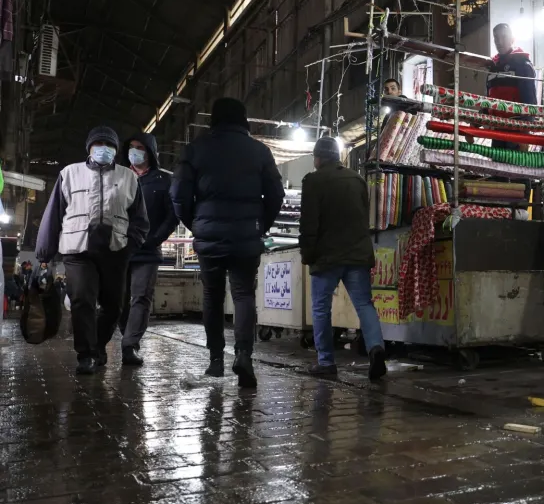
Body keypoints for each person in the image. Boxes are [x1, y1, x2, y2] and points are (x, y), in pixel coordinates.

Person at [171, 98, 284, 388]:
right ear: (243, 120)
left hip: (209, 237)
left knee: (212, 295)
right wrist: (260, 225)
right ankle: (244, 355)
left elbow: (179, 195)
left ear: (214, 119)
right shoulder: (259, 151)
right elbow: (276, 194)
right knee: (244, 294)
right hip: (246, 236)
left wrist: (196, 224)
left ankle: (216, 361)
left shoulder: (196, 149)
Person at [35, 126, 150, 374]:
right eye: (98, 144)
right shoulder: (69, 174)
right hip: (78, 250)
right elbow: (53, 215)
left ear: (116, 150)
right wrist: (44, 255)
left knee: (114, 307)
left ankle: (97, 347)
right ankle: (85, 355)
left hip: (115, 250)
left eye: (109, 145)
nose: (103, 149)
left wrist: (130, 245)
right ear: (89, 147)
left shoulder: (129, 178)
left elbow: (140, 220)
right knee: (82, 300)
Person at [300, 137, 387, 381]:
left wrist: (307, 254)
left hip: (326, 256)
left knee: (321, 308)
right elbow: (364, 217)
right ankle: (376, 347)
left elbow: (308, 223)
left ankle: (326, 362)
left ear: (318, 158)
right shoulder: (357, 180)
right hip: (357, 253)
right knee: (364, 304)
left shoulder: (313, 181)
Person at [115, 133, 178, 367]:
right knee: (119, 300)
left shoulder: (164, 181)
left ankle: (130, 345)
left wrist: (155, 239)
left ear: (150, 152)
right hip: (119, 248)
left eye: (140, 147)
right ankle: (127, 336)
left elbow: (172, 216)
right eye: (131, 147)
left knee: (141, 297)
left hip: (147, 250)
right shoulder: (118, 176)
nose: (135, 151)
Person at [487, 23, 538, 150]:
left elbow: (530, 101)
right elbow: (487, 99)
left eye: (504, 37)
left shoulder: (522, 64)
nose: (499, 41)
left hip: (516, 129)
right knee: (496, 162)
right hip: (497, 129)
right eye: (496, 37)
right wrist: (475, 124)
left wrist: (525, 134)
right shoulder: (493, 67)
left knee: (514, 162)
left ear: (512, 39)